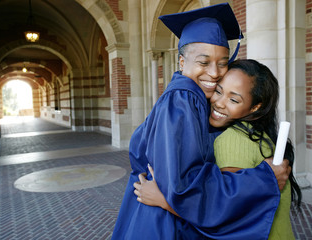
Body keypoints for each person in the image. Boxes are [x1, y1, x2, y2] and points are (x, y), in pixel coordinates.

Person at [111, 3, 291, 239]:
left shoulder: (194, 98)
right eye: (204, 62)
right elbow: (186, 188)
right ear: (182, 62)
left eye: (223, 62)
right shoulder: (183, 98)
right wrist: (263, 180)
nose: (215, 73)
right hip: (163, 223)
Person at [134, 59, 302, 239]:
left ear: (255, 107)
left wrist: (164, 201)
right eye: (219, 91)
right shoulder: (260, 136)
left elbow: (229, 213)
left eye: (234, 99)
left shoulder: (232, 140)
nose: (219, 103)